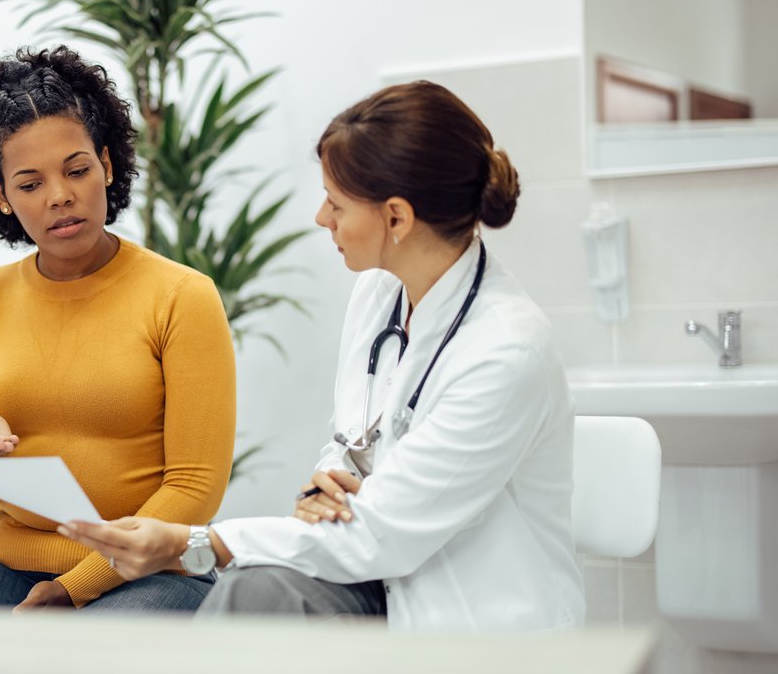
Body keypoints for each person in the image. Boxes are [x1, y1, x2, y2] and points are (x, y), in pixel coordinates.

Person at [59, 81, 586, 631]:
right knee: (255, 593)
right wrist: (326, 483)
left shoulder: (505, 352)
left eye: (336, 203)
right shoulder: (380, 293)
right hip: (382, 581)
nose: (320, 217)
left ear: (397, 218)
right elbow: (352, 443)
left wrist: (193, 544)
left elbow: (383, 533)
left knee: (251, 593)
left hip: (475, 619)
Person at [0, 46, 236, 613]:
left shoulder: (182, 297)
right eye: (30, 183)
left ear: (107, 166)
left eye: (77, 169)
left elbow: (194, 491)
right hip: (7, 558)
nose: (60, 195)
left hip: (151, 567)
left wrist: (73, 587)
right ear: (1, 197)